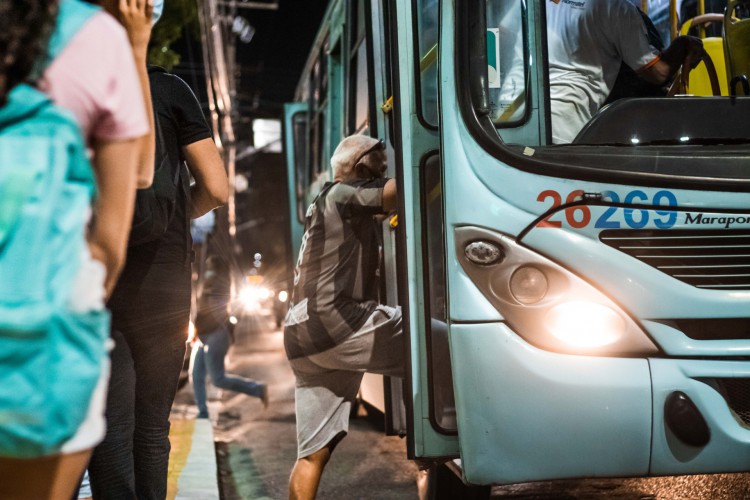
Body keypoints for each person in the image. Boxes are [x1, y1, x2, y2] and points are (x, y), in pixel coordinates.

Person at [86, 57, 229, 500]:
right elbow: (218, 188)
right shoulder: (170, 90)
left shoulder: (80, 83)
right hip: (164, 281)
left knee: (110, 428)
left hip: (99, 271)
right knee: (151, 430)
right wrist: (177, 213)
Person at [284, 135, 402, 500]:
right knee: (442, 343)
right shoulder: (341, 193)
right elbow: (397, 193)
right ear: (360, 167)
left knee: (311, 456)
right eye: (380, 164)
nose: (385, 169)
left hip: (300, 335)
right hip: (337, 323)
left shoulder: (323, 202)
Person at [546, 0, 706, 143]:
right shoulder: (616, 8)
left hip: (527, 120)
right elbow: (659, 73)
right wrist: (682, 46)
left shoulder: (530, 6)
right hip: (567, 130)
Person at [191, 255, 269, 418]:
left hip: (216, 335)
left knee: (218, 379)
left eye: (211, 266)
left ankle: (258, 389)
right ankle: (203, 412)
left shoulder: (219, 284)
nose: (208, 270)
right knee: (197, 375)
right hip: (204, 336)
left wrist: (225, 329)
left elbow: (217, 310)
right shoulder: (209, 283)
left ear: (217, 269)